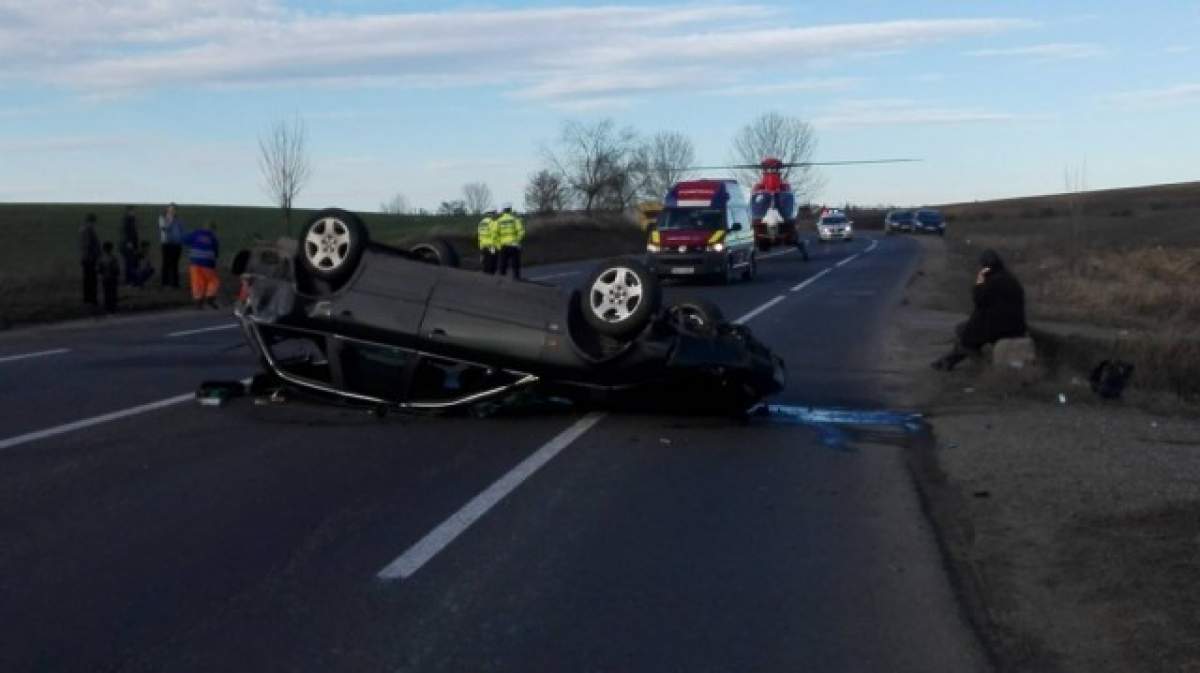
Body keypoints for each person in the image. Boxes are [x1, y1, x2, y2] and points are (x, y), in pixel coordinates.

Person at [932, 249, 1027, 371]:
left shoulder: (992, 280)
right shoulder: (1009, 278)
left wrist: (979, 281)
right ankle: (946, 362)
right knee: (968, 333)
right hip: (1015, 326)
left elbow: (979, 300)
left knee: (966, 336)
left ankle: (978, 366)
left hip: (999, 327)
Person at [184, 220, 220, 309]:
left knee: (197, 282)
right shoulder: (212, 237)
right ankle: (210, 296)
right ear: (213, 229)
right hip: (207, 263)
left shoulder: (196, 233)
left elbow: (185, 240)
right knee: (213, 281)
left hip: (194, 263)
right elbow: (216, 251)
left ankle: (198, 301)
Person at [494, 203, 525, 279]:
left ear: (503, 210)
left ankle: (502, 278)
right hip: (513, 245)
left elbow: (495, 234)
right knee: (515, 262)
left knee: (503, 263)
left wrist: (498, 245)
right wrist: (517, 241)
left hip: (503, 245)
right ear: (510, 210)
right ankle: (516, 277)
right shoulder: (514, 219)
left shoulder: (498, 221)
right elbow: (521, 231)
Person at [158, 203, 184, 288]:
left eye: (174, 209)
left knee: (175, 264)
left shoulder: (179, 219)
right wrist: (170, 220)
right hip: (167, 243)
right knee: (166, 263)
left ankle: (175, 283)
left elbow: (181, 230)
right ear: (167, 209)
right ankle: (165, 283)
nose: (173, 211)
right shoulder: (163, 218)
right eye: (171, 209)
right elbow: (164, 228)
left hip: (177, 244)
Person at [79, 212, 101, 307]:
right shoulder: (89, 230)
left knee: (87, 280)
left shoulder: (82, 230)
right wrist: (95, 256)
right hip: (90, 258)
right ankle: (92, 300)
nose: (94, 224)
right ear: (91, 221)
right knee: (92, 280)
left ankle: (87, 299)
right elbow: (89, 245)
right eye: (93, 222)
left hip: (85, 258)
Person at [119, 205, 140, 286]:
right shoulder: (127, 220)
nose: (134, 213)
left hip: (131, 244)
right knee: (129, 263)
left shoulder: (131, 220)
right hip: (128, 244)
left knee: (132, 262)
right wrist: (129, 242)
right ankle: (129, 280)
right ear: (129, 211)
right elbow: (126, 232)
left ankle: (131, 279)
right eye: (133, 211)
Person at [97, 241, 120, 313]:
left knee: (107, 294)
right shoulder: (113, 258)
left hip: (105, 278)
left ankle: (107, 308)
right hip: (112, 278)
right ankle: (113, 308)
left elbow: (99, 270)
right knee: (113, 293)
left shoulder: (101, 259)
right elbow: (117, 270)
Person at [476, 208, 499, 274]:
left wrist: (480, 246)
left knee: (485, 261)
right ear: (491, 214)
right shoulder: (492, 223)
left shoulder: (481, 223)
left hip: (483, 245)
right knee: (493, 260)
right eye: (494, 213)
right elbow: (495, 234)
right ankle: (491, 275)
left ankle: (485, 275)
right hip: (491, 246)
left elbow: (479, 234)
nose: (495, 215)